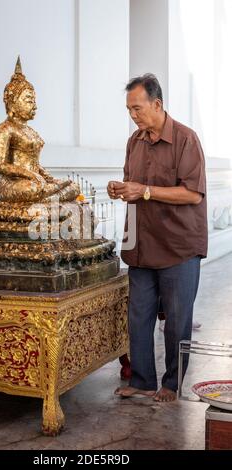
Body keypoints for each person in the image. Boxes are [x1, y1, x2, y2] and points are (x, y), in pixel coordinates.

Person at [108, 74, 207, 402]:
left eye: (137, 108)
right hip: (141, 245)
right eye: (128, 110)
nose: (133, 115)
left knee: (178, 322)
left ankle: (170, 384)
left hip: (178, 247)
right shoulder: (134, 141)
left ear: (157, 104)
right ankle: (142, 380)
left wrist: (145, 191)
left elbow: (193, 195)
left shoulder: (185, 140)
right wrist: (121, 189)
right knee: (138, 317)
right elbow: (132, 182)